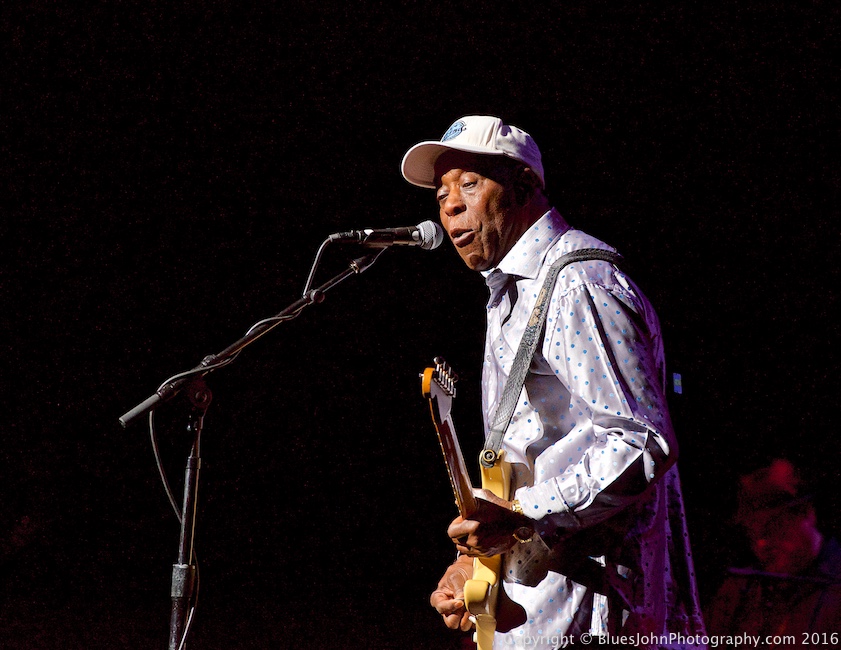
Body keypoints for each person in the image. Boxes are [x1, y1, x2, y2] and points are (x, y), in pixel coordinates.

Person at [401, 116, 706, 648]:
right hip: (540, 601)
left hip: (592, 606)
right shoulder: (513, 290)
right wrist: (475, 561)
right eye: (441, 194)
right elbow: (525, 454)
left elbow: (641, 441)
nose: (449, 207)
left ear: (523, 187)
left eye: (469, 184)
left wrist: (522, 516)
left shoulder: (578, 282)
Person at [706, 459, 841, 643]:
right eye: (752, 532)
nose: (761, 543)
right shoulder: (738, 591)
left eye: (773, 527)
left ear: (808, 513)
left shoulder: (836, 587)